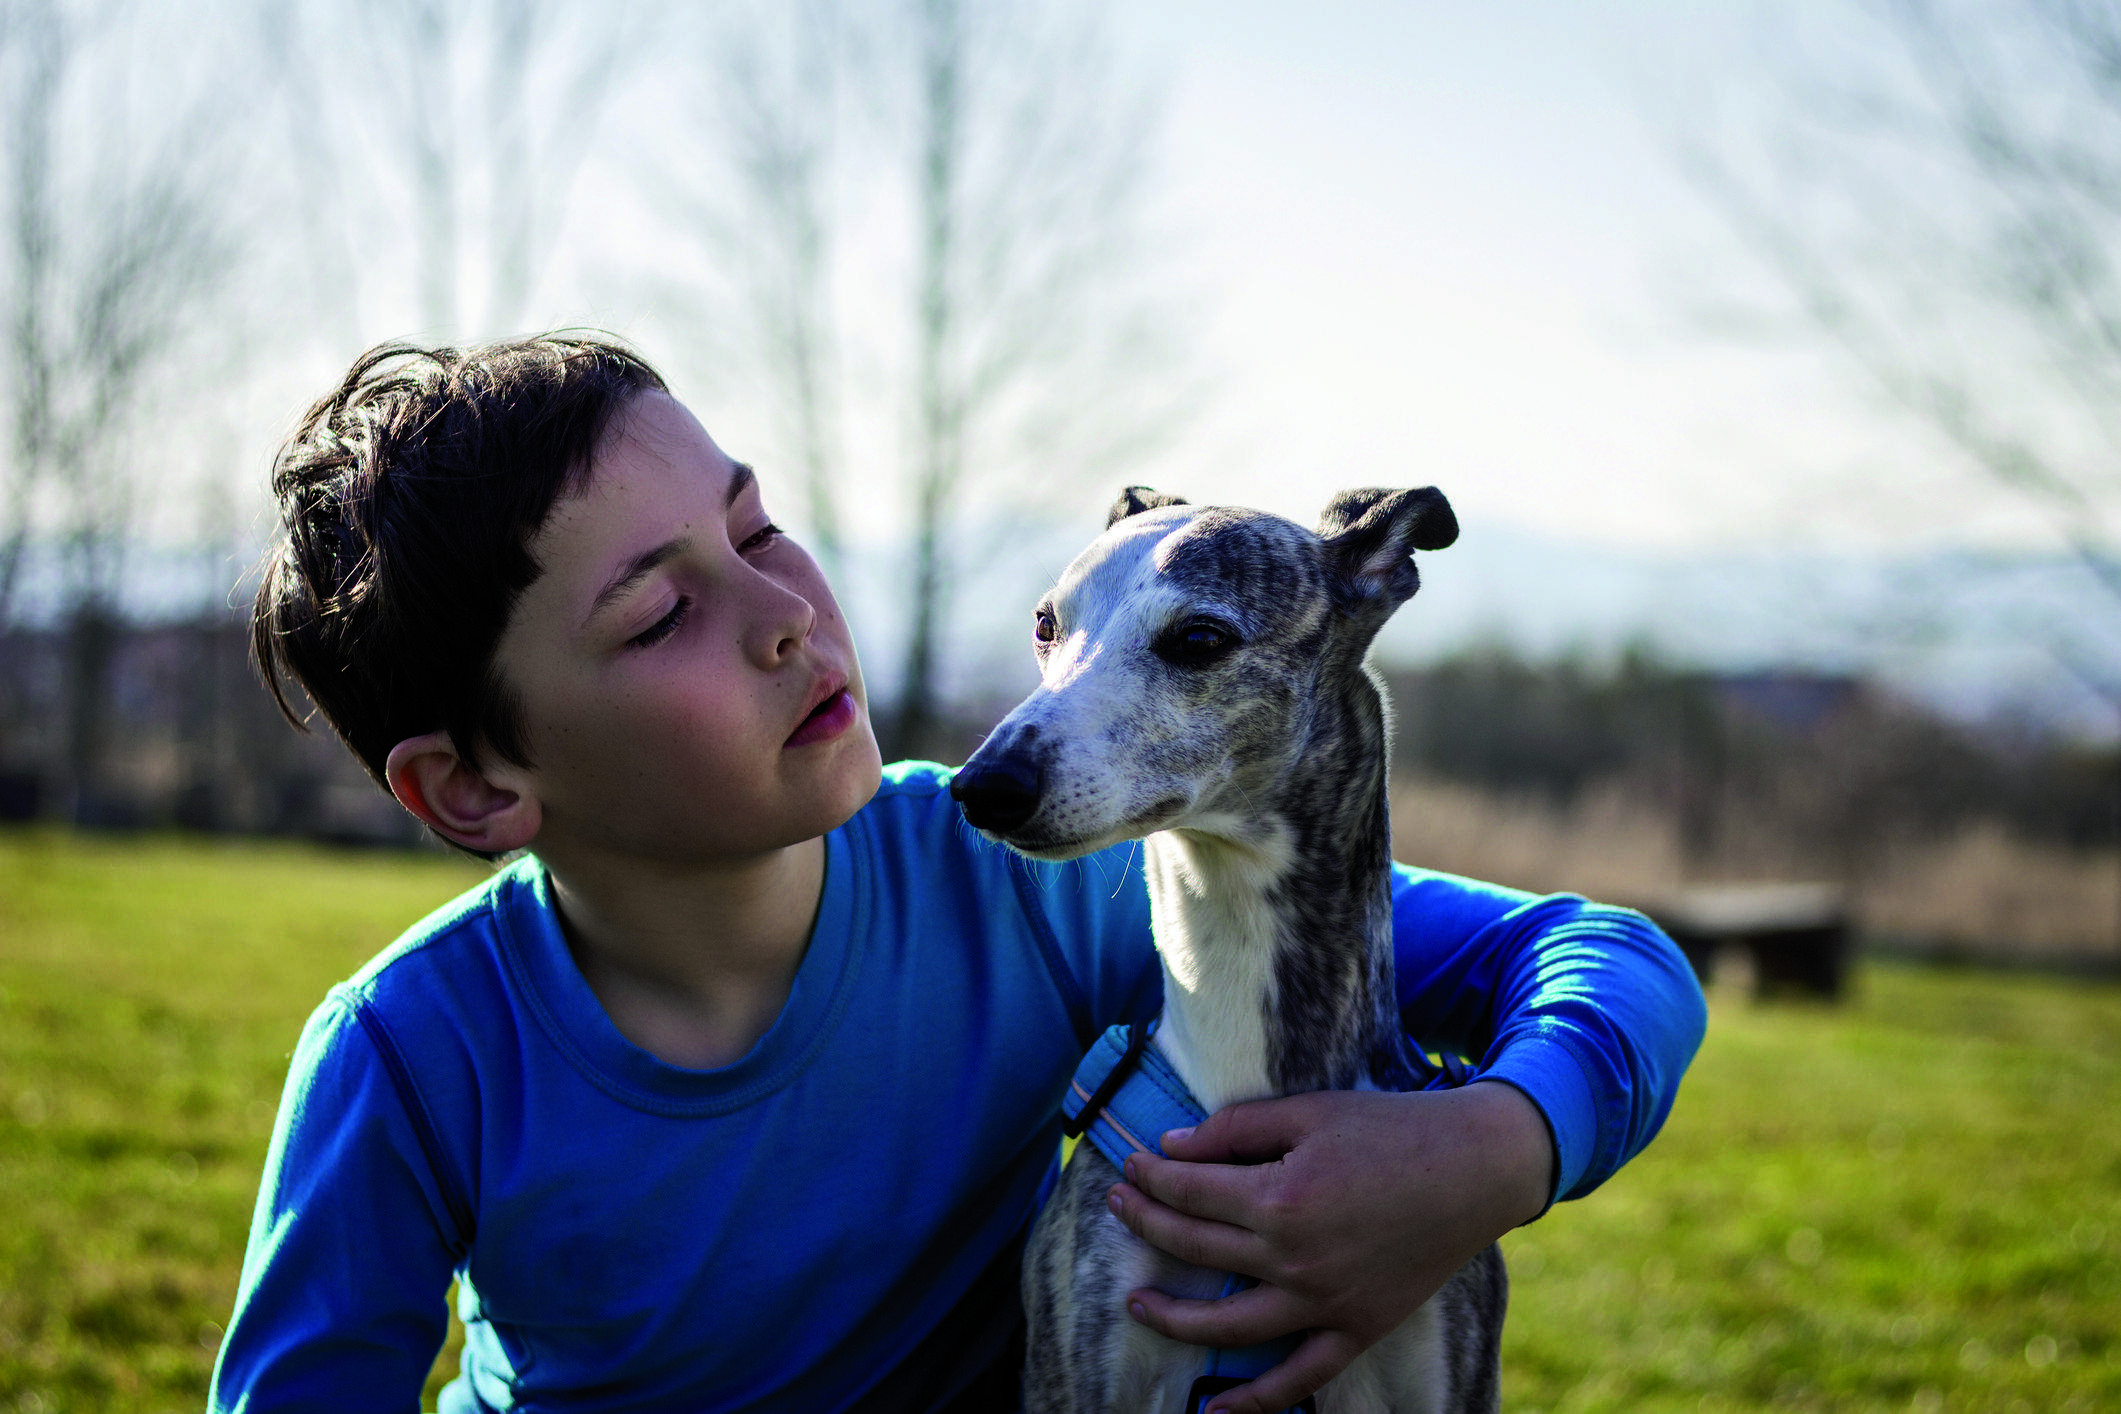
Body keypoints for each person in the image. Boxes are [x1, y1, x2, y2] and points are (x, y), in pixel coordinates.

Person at [212, 334, 1706, 1414]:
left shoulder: (1045, 882)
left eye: (757, 526)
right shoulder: (407, 1059)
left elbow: (1608, 962)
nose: (788, 612)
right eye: (663, 611)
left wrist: (1498, 1148)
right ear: (474, 785)